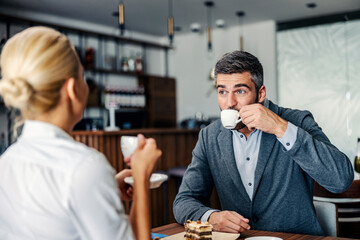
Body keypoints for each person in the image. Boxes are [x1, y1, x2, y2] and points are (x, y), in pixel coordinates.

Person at [0, 26, 161, 240]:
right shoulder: (86, 167)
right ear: (71, 89)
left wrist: (108, 186)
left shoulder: (6, 162)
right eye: (83, 76)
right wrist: (141, 180)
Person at [173, 50, 354, 236]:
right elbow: (184, 201)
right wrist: (211, 217)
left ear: (261, 94)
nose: (229, 103)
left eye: (240, 91)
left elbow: (341, 180)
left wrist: (279, 127)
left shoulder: (297, 121)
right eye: (222, 92)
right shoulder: (209, 136)